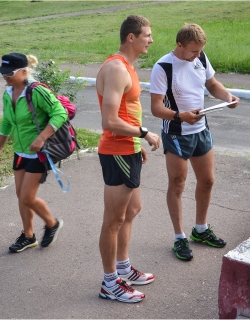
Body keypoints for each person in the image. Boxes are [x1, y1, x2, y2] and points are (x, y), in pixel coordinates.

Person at [150, 24, 240, 261]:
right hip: (177, 132)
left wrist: (227, 96)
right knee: (178, 184)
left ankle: (200, 229)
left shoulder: (201, 58)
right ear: (179, 45)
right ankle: (179, 238)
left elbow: (212, 85)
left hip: (201, 129)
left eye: (200, 51)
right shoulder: (163, 67)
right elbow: (156, 108)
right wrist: (180, 116)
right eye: (193, 51)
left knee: (208, 180)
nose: (197, 56)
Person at [96, 15, 161, 303]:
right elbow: (109, 121)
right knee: (113, 220)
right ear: (131, 37)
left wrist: (137, 142)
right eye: (147, 35)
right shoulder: (116, 69)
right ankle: (110, 283)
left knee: (132, 210)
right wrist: (144, 132)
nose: (151, 39)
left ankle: (123, 268)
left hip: (128, 148)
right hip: (116, 151)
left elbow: (125, 111)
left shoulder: (128, 67)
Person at [0, 52, 66, 253]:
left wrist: (41, 138)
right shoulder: (8, 93)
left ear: (24, 72)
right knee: (20, 194)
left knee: (26, 196)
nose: (5, 77)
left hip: (39, 153)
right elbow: (7, 122)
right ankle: (28, 235)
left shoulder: (37, 91)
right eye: (3, 73)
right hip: (20, 152)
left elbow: (60, 113)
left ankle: (51, 223)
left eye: (9, 73)